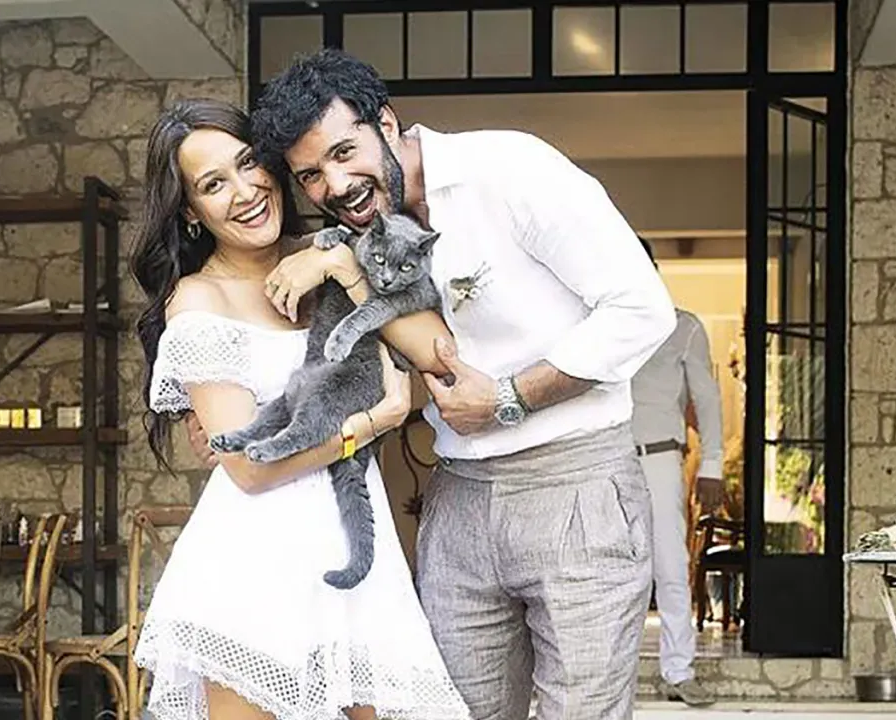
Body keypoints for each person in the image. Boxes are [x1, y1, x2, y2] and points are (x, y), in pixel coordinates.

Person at [216, 49, 678, 720]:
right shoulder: (351, 240)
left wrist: (510, 398)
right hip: (458, 497)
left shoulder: (511, 169)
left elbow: (644, 309)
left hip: (575, 487)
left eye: (345, 152)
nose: (336, 184)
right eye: (311, 174)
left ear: (386, 122)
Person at [129, 97, 471, 720]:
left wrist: (340, 264)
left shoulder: (335, 251)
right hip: (253, 570)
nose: (245, 191)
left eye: (248, 163)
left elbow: (438, 353)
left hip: (355, 563)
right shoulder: (199, 301)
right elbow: (250, 468)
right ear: (190, 211)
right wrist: (370, 424)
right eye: (213, 184)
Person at [630, 237, 724, 707]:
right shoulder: (597, 325)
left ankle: (679, 671)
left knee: (670, 563)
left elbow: (707, 399)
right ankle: (613, 676)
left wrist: (713, 464)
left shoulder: (682, 327)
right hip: (603, 459)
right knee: (609, 572)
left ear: (653, 268)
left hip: (660, 459)